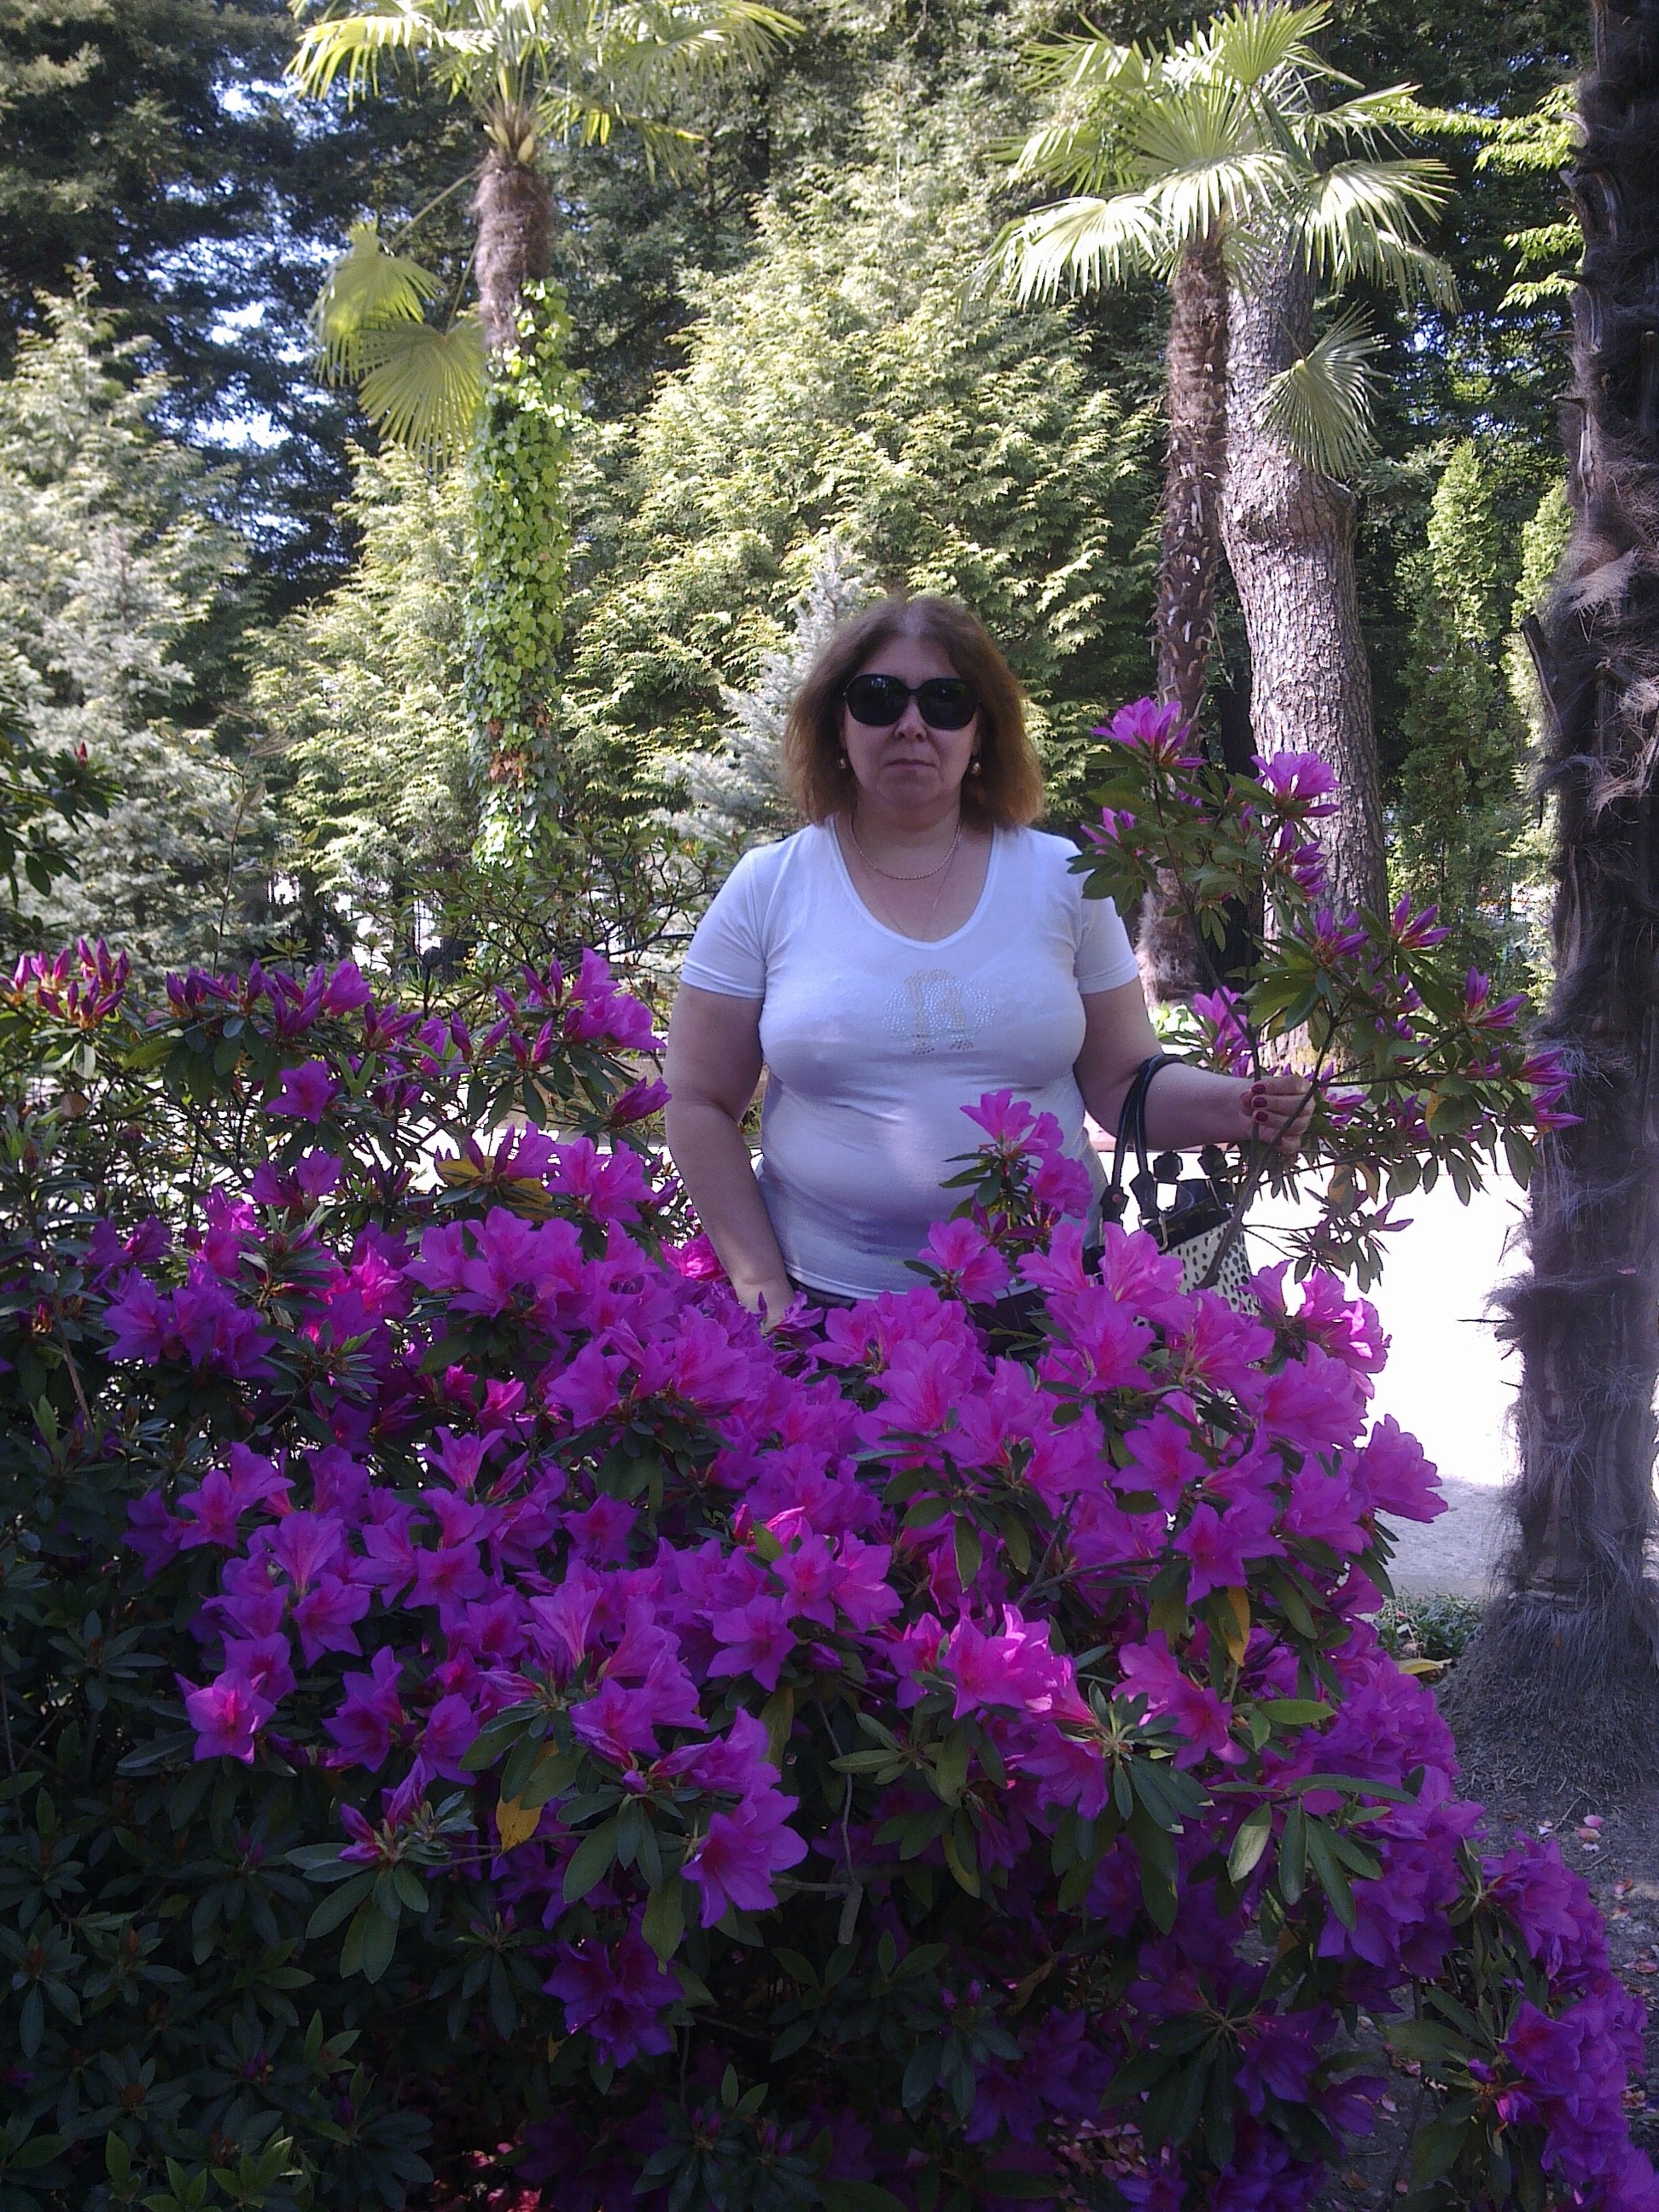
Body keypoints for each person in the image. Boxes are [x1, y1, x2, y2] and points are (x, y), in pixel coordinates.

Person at [664, 593, 1311, 1320]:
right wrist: (763, 1291)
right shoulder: (767, 888)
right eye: (878, 698)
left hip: (1050, 1311)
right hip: (830, 1315)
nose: (912, 724)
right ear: (837, 725)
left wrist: (1242, 1105)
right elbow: (697, 1101)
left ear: (982, 733)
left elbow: (1123, 1082)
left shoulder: (1065, 880)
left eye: (946, 701)